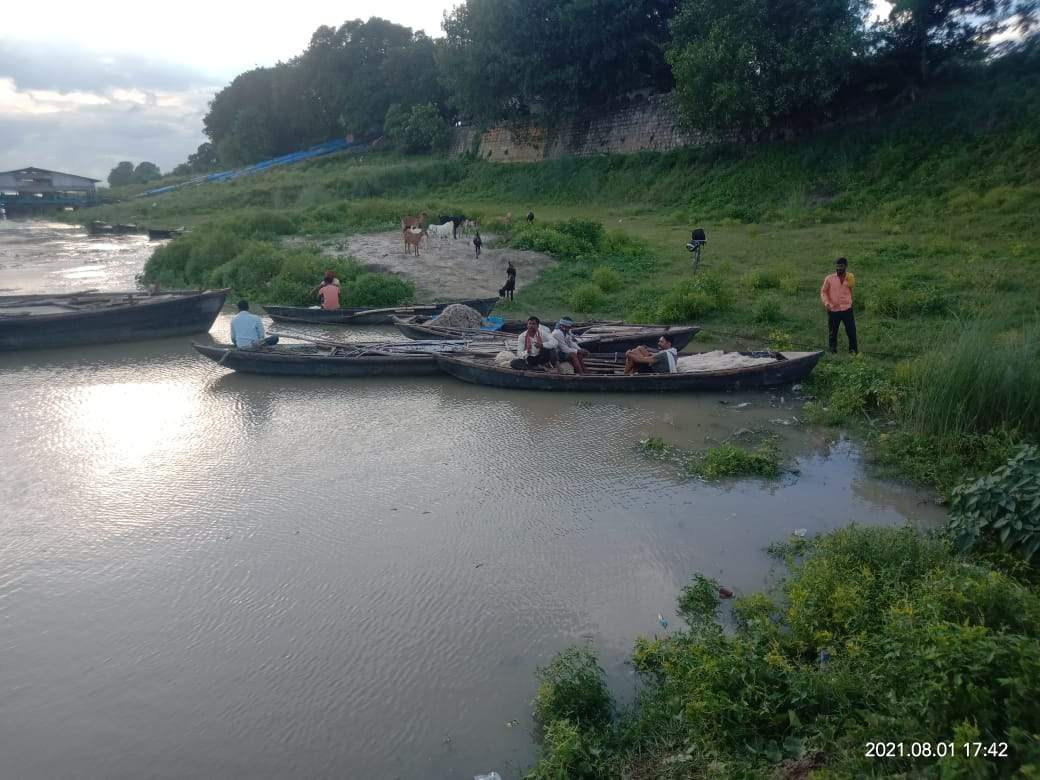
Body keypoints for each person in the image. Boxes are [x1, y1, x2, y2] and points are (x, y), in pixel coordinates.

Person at [820, 256, 857, 354]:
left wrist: (850, 277)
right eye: (837, 266)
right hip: (833, 309)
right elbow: (823, 292)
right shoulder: (829, 278)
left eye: (841, 266)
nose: (839, 268)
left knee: (851, 332)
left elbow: (852, 286)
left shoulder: (850, 277)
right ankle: (832, 351)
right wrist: (827, 303)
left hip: (847, 309)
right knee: (833, 332)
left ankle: (853, 352)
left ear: (846, 266)